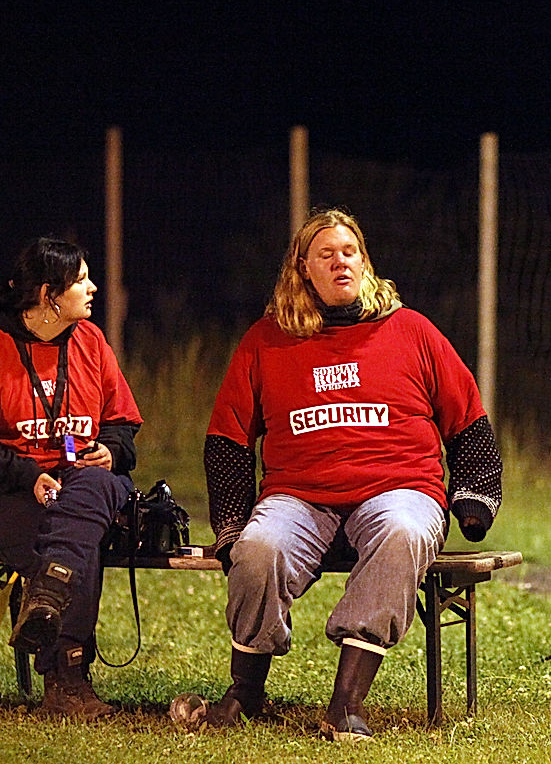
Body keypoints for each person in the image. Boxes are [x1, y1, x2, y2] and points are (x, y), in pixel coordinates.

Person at [172, 208, 502, 741]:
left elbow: (467, 417)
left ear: (364, 262)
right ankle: (245, 692)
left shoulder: (411, 330)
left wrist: (475, 497)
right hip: (299, 496)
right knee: (258, 550)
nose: (340, 262)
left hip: (399, 489)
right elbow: (228, 436)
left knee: (404, 531)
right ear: (303, 269)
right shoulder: (267, 340)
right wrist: (231, 524)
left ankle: (346, 703)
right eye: (326, 254)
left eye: (350, 252)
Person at [0, 237, 143, 719]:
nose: (93, 288)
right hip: (1, 495)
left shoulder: (91, 341)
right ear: (50, 295)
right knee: (75, 539)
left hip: (82, 486)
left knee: (94, 491)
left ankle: (51, 601)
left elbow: (123, 425)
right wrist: (28, 476)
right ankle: (68, 680)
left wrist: (110, 450)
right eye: (81, 280)